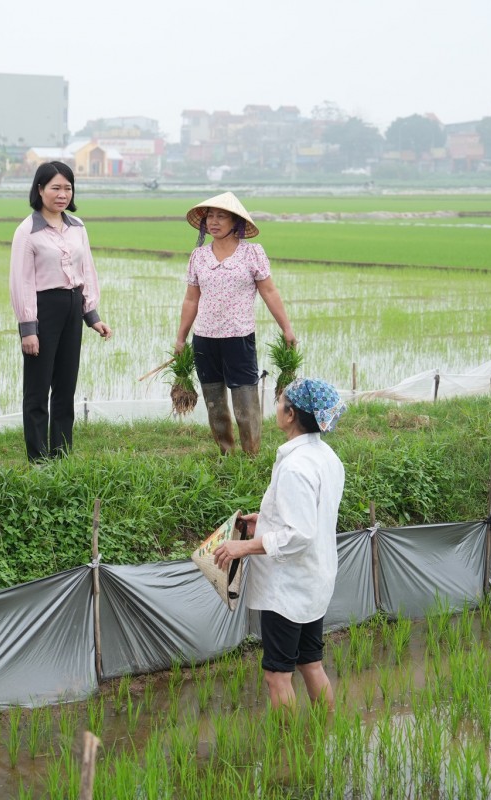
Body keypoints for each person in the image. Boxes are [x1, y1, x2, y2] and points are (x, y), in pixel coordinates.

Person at [213, 378, 347, 713]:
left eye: (280, 402)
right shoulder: (326, 457)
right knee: (310, 663)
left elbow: (299, 535)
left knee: (277, 676)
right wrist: (266, 520)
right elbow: (309, 518)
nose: (276, 407)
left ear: (290, 415)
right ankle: (326, 735)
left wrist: (243, 547)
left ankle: (288, 757)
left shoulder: (295, 467)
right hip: (313, 580)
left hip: (287, 589)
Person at [174, 192, 296, 456]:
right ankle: (226, 453)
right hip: (205, 338)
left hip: (238, 337)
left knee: (245, 400)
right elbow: (191, 300)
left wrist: (286, 328)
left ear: (236, 222)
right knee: (214, 400)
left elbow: (269, 292)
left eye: (221, 216)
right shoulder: (199, 256)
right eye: (210, 217)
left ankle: (251, 455)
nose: (214, 222)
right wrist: (181, 338)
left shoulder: (252, 253)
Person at [9, 161, 112, 461]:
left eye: (67, 187)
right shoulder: (27, 231)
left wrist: (92, 315)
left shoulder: (77, 227)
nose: (62, 194)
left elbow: (87, 270)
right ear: (40, 190)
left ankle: (62, 455)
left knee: (66, 387)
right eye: (55, 187)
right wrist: (29, 328)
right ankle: (38, 459)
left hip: (72, 307)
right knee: (38, 389)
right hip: (44, 309)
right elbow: (22, 281)